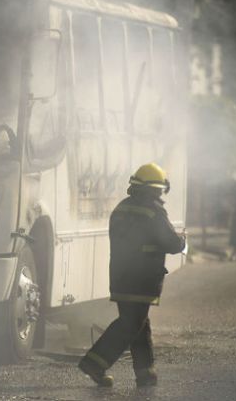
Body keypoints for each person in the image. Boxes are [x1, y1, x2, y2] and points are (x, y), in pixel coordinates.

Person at [78, 163, 186, 388]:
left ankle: (145, 373)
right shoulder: (153, 210)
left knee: (138, 322)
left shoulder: (121, 208)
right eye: (159, 190)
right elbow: (172, 243)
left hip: (120, 277)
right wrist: (182, 240)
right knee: (130, 323)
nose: (160, 194)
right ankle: (95, 362)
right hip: (142, 279)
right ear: (155, 189)